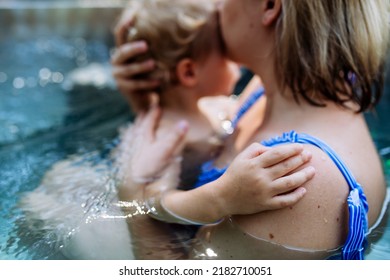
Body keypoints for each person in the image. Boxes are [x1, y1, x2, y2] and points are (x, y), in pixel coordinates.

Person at [16, 0, 314, 260]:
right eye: (224, 57)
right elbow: (152, 200)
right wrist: (222, 197)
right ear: (188, 72)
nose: (237, 69)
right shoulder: (170, 135)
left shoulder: (219, 108)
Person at [112, 0, 389, 259]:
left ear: (269, 5)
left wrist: (133, 203)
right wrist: (156, 96)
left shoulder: (298, 174)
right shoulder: (270, 89)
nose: (217, 4)